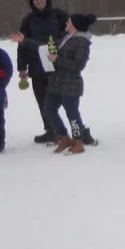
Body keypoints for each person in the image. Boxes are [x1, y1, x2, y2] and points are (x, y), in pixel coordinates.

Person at [13, 14, 98, 153]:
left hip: (70, 85)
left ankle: (78, 142)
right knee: (48, 110)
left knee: (72, 114)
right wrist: (25, 40)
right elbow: (46, 47)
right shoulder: (66, 38)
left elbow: (78, 65)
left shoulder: (82, 42)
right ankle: (64, 138)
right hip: (56, 83)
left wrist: (57, 59)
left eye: (69, 21)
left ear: (75, 25)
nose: (67, 22)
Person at [15, 0, 69, 144]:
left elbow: (69, 35)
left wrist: (56, 46)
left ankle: (69, 129)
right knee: (43, 100)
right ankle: (50, 131)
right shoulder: (27, 20)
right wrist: (22, 67)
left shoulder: (59, 15)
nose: (39, 1)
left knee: (63, 99)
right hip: (37, 65)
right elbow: (21, 44)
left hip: (57, 63)